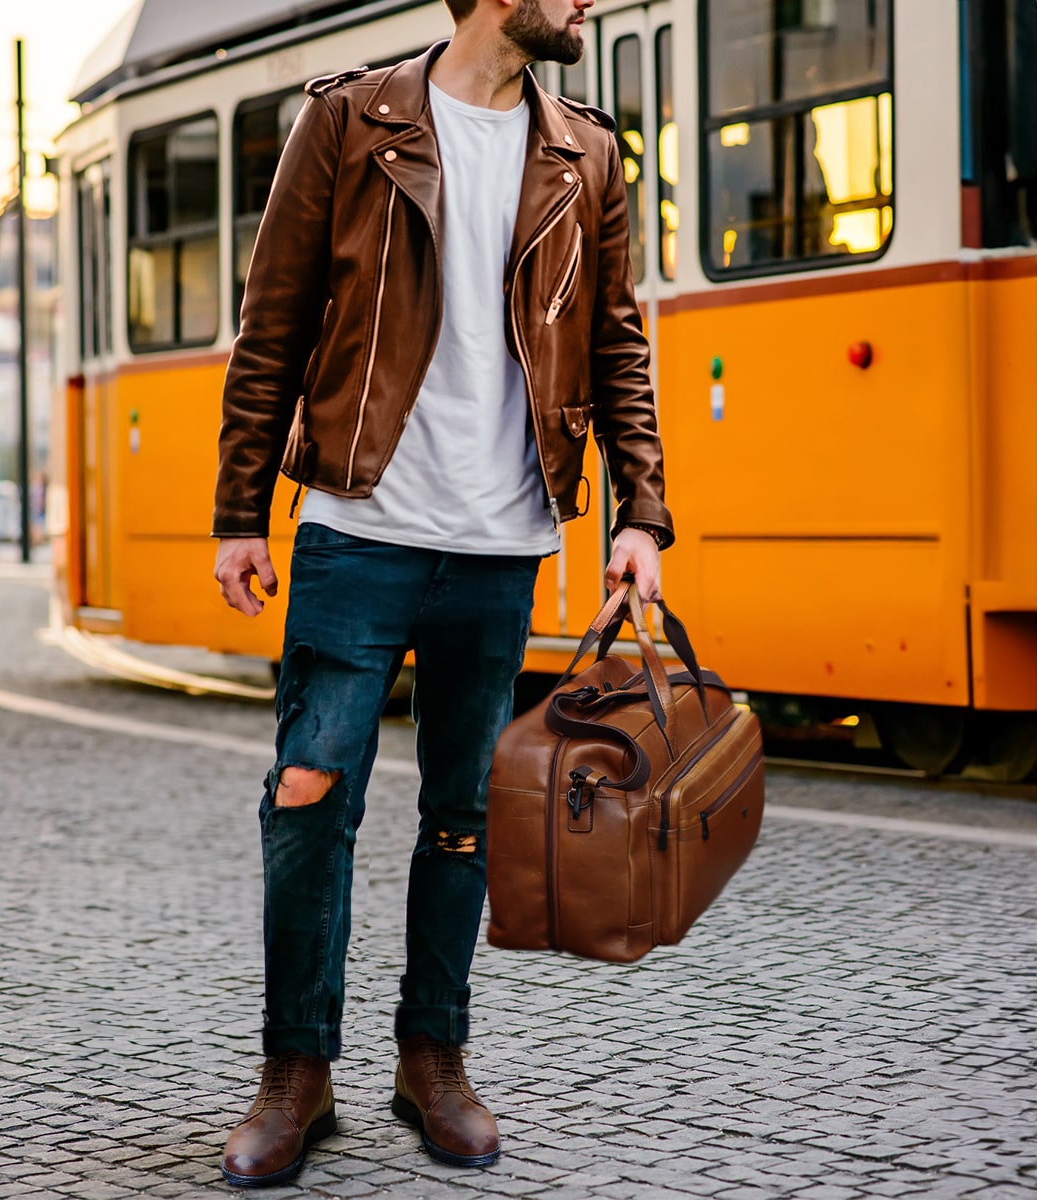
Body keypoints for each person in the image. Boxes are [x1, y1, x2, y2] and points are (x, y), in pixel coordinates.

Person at [211, 0, 673, 1186]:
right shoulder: (351, 121)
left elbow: (617, 337)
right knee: (310, 794)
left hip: (502, 537)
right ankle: (295, 1077)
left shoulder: (586, 149)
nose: (583, 1)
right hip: (358, 527)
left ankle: (434, 1060)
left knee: (464, 812)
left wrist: (640, 512)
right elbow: (270, 326)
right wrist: (237, 512)